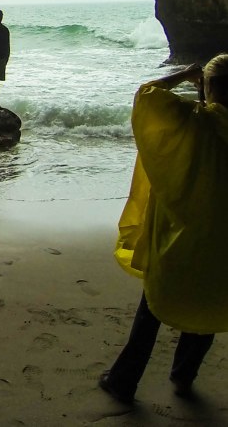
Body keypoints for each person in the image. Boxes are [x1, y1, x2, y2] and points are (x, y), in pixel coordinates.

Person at [98, 55, 228, 403]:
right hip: (222, 237)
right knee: (208, 299)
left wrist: (183, 75)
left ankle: (123, 380)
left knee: (152, 305)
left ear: (208, 86)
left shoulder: (190, 121)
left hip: (179, 230)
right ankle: (183, 377)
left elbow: (147, 95)